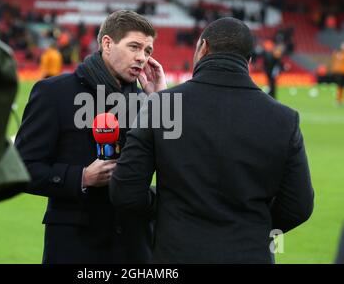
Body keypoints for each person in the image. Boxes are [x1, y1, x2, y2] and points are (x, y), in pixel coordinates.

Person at [110, 17, 314, 263]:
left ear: (203, 48)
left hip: (178, 253)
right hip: (250, 253)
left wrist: (168, 209)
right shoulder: (284, 119)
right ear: (248, 61)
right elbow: (299, 206)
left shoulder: (162, 106)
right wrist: (252, 226)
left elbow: (125, 193)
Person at [15, 10, 167, 263]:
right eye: (134, 47)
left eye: (148, 51)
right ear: (107, 44)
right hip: (76, 248)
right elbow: (22, 169)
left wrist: (160, 101)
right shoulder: (54, 93)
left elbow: (173, 168)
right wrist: (82, 177)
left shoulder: (147, 103)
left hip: (135, 248)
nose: (142, 57)